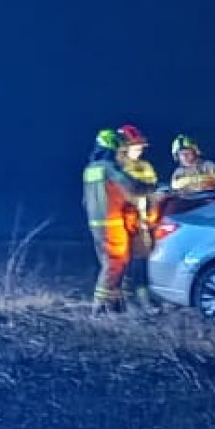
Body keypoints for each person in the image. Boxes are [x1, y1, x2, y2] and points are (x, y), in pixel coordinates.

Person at [82, 124, 158, 314]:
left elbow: (84, 201)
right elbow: (131, 187)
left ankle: (115, 306)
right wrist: (151, 189)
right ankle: (98, 308)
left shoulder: (90, 169)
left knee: (113, 265)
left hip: (95, 225)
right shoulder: (108, 168)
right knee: (114, 264)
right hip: (113, 223)